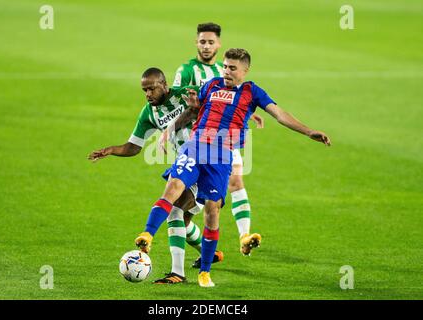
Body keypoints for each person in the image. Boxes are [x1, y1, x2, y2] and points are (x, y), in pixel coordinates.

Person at [135, 48, 331, 287]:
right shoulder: (211, 85)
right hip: (196, 146)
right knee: (173, 187)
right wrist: (170, 129)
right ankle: (147, 235)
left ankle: (205, 272)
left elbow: (279, 114)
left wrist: (309, 131)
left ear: (245, 70)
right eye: (225, 66)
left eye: (232, 68)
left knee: (211, 211)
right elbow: (193, 112)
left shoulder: (252, 92)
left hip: (221, 156)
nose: (226, 71)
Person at [88, 67, 220, 284]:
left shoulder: (185, 93)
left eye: (151, 89)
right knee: (182, 219)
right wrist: (110, 150)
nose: (148, 94)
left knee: (175, 210)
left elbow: (218, 102)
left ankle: (178, 273)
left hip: (207, 160)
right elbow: (134, 146)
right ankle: (210, 253)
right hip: (186, 164)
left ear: (164, 85)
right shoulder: (148, 113)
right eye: (144, 90)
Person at [172, 22, 264, 265]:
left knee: (235, 180)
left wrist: (248, 113)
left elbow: (231, 100)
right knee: (185, 212)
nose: (206, 46)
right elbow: (183, 102)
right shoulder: (188, 70)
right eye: (202, 41)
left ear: (218, 44)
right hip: (195, 142)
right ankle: (208, 251)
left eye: (211, 42)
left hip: (223, 142)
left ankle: (244, 235)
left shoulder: (221, 73)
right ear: (196, 42)